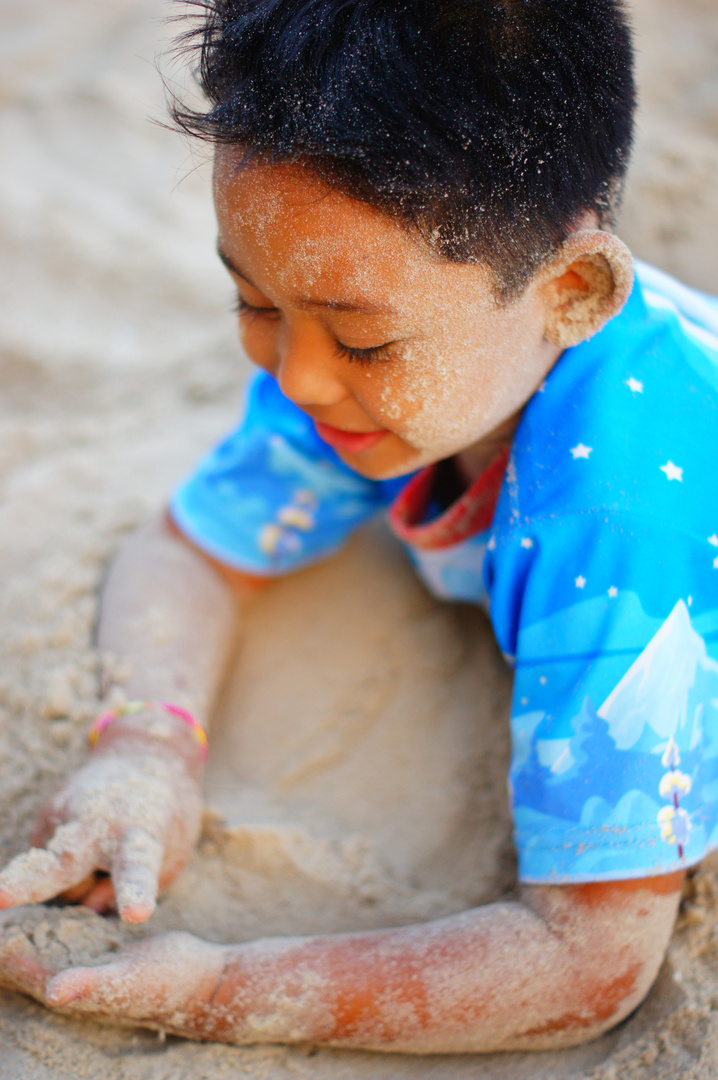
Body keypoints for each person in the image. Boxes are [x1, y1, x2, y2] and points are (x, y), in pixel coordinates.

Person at [0, 0, 717, 1053]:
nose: (293, 374)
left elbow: (588, 959)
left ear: (572, 291)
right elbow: (191, 549)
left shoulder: (616, 532)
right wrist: (149, 744)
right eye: (252, 302)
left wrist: (216, 987)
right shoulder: (370, 318)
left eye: (361, 343)